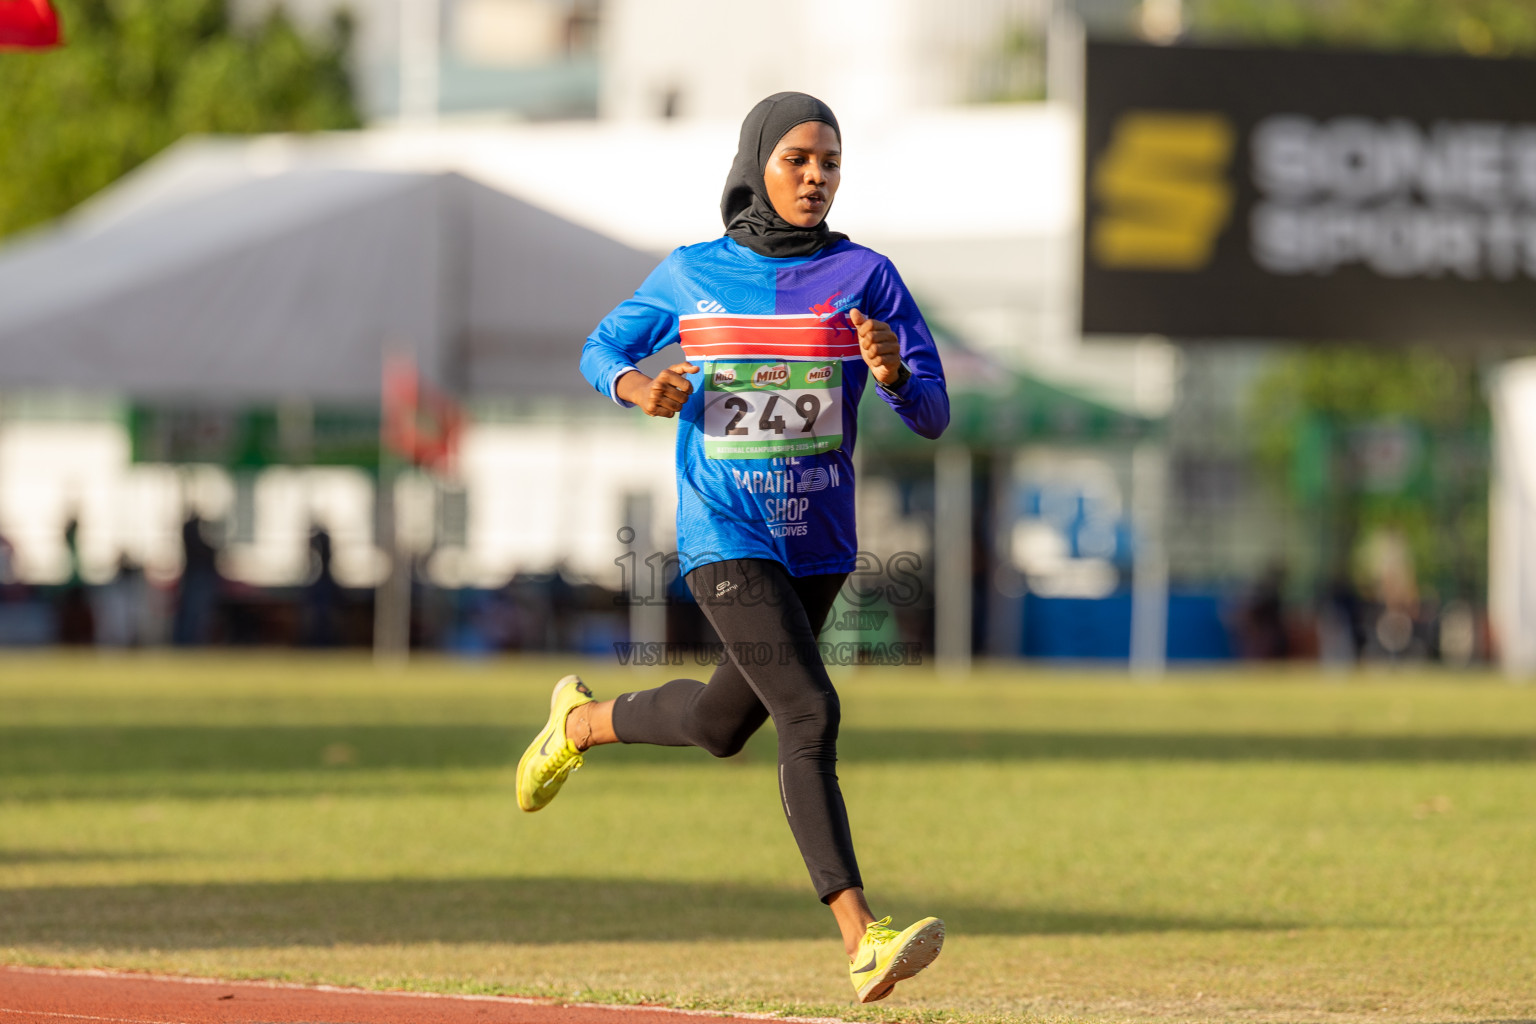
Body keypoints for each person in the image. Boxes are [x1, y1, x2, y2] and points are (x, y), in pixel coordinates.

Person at [517, 92, 950, 1003]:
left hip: (820, 542)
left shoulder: (867, 277)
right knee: (809, 712)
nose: (816, 177)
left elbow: (933, 411)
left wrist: (891, 373)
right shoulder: (691, 273)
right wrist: (638, 386)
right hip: (725, 530)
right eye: (798, 159)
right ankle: (862, 936)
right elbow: (601, 347)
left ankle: (581, 724)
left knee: (723, 726)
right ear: (758, 163)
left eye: (830, 162)